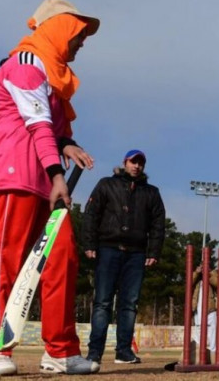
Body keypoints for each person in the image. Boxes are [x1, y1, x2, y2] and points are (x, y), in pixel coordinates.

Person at [0, 0, 100, 376]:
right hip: (14, 176)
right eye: (78, 33)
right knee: (5, 260)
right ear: (59, 28)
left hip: (44, 178)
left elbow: (53, 129)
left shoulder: (55, 76)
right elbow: (37, 124)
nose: (82, 42)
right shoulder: (26, 64)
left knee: (63, 258)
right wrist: (59, 174)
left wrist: (67, 144)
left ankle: (61, 352)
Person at [82, 149, 166, 365]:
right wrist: (89, 244)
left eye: (140, 163)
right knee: (102, 302)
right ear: (125, 162)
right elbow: (91, 214)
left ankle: (124, 351)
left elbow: (158, 224)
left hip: (136, 253)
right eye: (133, 162)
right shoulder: (106, 184)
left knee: (129, 304)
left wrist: (154, 252)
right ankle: (94, 352)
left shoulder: (151, 192)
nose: (136, 166)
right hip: (108, 249)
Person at [191, 263, 219, 364]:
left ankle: (213, 359)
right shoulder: (197, 278)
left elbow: (217, 283)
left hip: (210, 310)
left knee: (212, 335)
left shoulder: (213, 274)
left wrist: (209, 273)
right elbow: (189, 282)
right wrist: (196, 272)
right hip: (198, 311)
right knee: (198, 333)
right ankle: (198, 357)